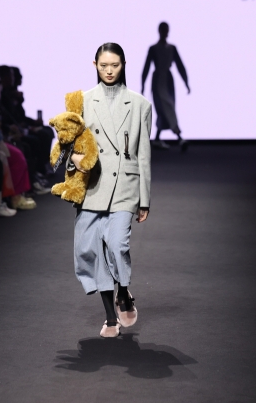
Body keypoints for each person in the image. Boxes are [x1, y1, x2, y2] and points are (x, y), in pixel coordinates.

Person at [69, 42, 151, 338]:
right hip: (93, 186)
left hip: (125, 186)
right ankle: (110, 319)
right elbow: (68, 145)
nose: (109, 70)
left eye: (114, 65)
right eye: (103, 65)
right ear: (95, 65)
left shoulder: (140, 104)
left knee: (117, 244)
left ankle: (125, 291)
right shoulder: (82, 101)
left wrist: (145, 199)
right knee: (92, 250)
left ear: (124, 64)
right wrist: (75, 160)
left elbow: (143, 152)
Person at [141, 22, 190, 151]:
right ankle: (179, 137)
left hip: (168, 81)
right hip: (157, 80)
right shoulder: (153, 48)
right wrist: (143, 84)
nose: (165, 32)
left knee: (167, 108)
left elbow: (180, 66)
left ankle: (157, 139)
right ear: (160, 31)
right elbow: (146, 67)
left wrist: (186, 82)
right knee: (166, 107)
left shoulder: (172, 48)